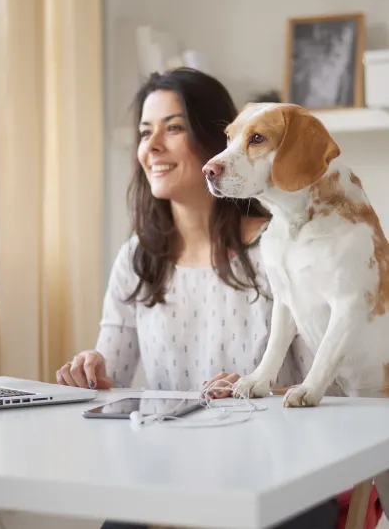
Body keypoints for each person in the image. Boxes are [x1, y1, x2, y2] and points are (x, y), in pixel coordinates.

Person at [57, 68, 339, 528]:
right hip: (169, 476)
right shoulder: (138, 257)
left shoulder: (280, 249)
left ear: (217, 142)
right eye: (146, 133)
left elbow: (330, 391)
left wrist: (254, 390)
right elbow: (111, 379)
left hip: (279, 479)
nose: (152, 147)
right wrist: (90, 370)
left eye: (174, 128)